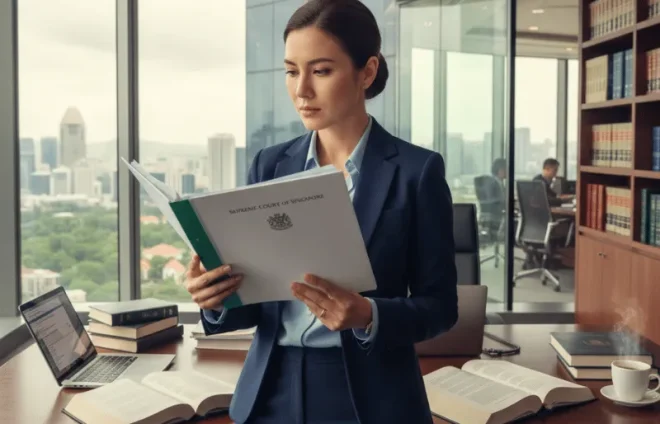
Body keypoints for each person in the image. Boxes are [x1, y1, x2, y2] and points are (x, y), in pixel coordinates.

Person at [185, 1, 458, 423]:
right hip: (270, 387)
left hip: (369, 396)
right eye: (292, 71)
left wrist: (369, 314)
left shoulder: (416, 172)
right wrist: (217, 299)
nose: (301, 90)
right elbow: (259, 302)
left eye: (322, 71)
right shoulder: (269, 164)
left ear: (366, 72)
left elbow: (440, 306)